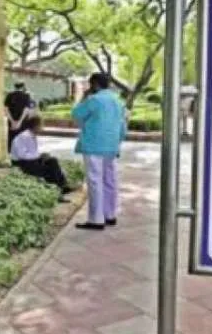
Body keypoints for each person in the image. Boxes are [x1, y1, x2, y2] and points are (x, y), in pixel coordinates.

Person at [71, 72, 127, 230]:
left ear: (95, 84)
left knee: (95, 181)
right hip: (111, 146)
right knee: (110, 180)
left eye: (90, 84)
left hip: (93, 145)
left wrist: (84, 97)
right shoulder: (118, 101)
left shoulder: (94, 100)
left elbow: (76, 114)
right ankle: (110, 215)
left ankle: (96, 219)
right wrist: (118, 143)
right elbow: (123, 126)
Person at [10, 116, 72, 196]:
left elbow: (32, 153)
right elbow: (22, 155)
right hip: (21, 163)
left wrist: (41, 156)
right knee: (49, 170)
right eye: (41, 125)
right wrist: (39, 156)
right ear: (35, 126)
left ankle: (63, 186)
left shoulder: (31, 135)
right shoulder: (24, 137)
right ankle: (57, 191)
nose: (42, 128)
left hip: (30, 161)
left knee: (53, 161)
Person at [5, 82, 33, 148]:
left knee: (12, 139)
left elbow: (6, 109)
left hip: (11, 122)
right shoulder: (26, 96)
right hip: (23, 122)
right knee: (22, 140)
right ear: (23, 87)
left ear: (15, 87)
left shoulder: (9, 95)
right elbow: (26, 110)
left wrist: (12, 121)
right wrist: (19, 122)